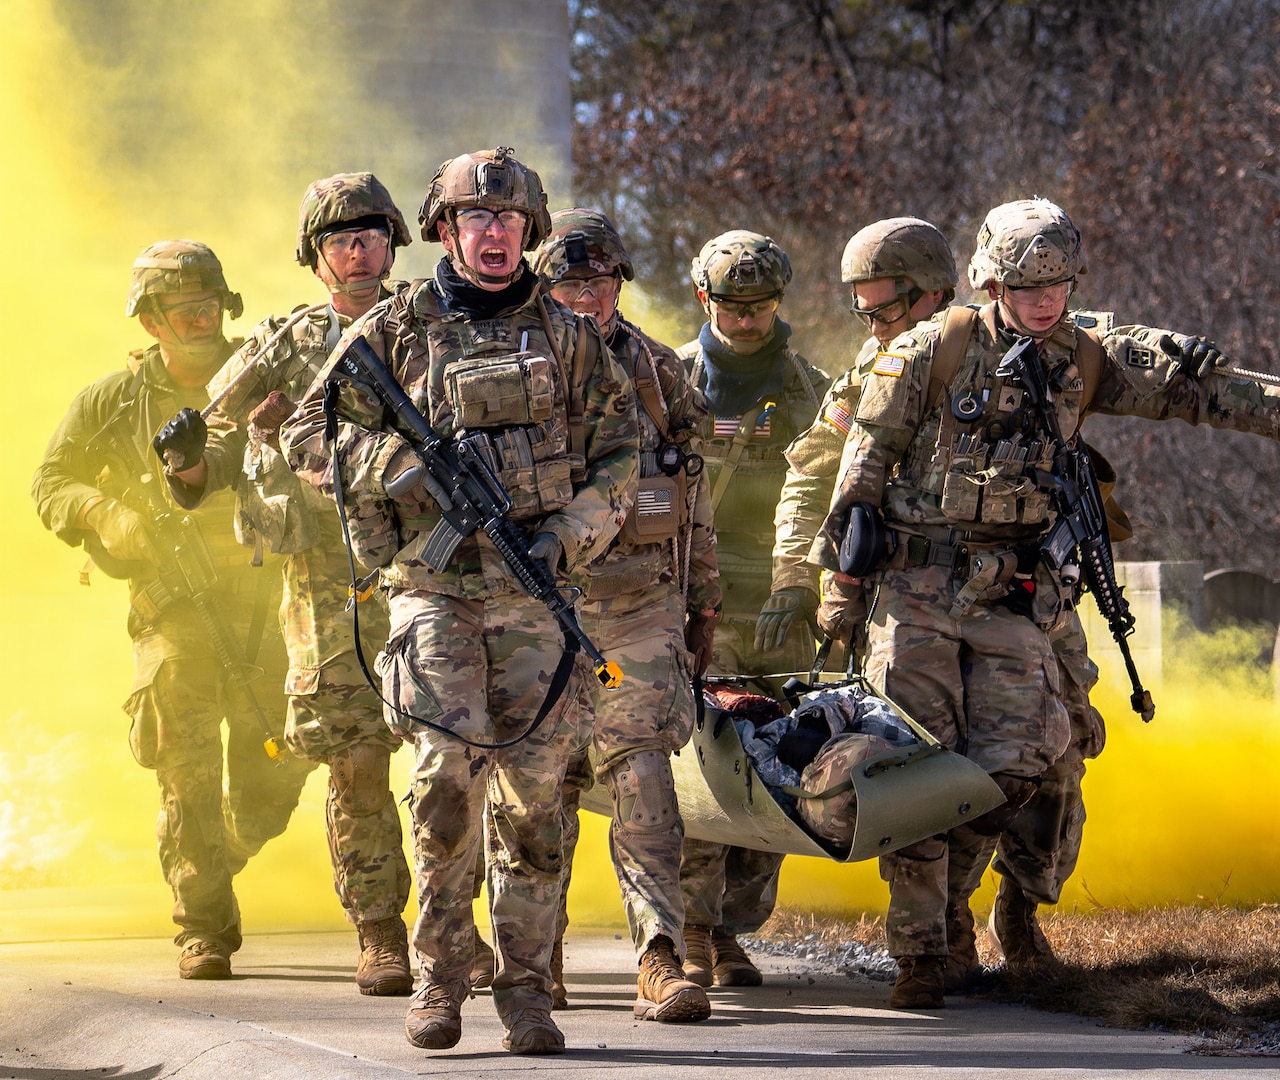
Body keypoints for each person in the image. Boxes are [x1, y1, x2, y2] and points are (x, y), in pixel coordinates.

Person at [810, 197, 1280, 1009]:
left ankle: (978, 910)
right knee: (913, 769)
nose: (1045, 301)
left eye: (1059, 285)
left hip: (1014, 594)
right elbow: (863, 468)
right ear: (990, 282)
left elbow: (1195, 390)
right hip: (918, 588)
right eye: (1029, 288)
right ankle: (924, 951)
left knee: (1016, 765)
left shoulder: (1083, 355)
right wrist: (839, 592)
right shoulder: (932, 349)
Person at [279, 147, 639, 1056]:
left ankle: (525, 993)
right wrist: (397, 467)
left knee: (535, 800)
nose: (493, 235)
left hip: (536, 596)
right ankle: (439, 981)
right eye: (476, 219)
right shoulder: (395, 330)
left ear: (531, 232)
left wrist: (569, 534)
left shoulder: (570, 337)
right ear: (444, 229)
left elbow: (621, 458)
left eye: (510, 222)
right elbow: (306, 432)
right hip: (433, 591)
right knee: (444, 782)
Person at [150, 174, 417, 996]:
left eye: (372, 236)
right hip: (325, 586)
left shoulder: (432, 326)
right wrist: (190, 461)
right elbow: (221, 444)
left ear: (393, 245)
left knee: (459, 760)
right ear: (314, 256)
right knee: (358, 762)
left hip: (432, 571)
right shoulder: (285, 343)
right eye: (340, 239)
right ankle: (381, 933)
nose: (358, 251)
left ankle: (457, 927)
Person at [32, 240, 314, 979]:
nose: (200, 319)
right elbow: (50, 481)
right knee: (185, 769)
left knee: (278, 773)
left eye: (209, 305)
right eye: (182, 309)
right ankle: (204, 927)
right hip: (172, 608)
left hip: (271, 602)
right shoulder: (114, 401)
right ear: (150, 320)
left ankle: (215, 850)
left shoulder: (264, 378)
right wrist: (101, 513)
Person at [531, 208, 719, 1021]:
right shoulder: (512, 365)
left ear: (619, 284)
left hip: (636, 607)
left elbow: (691, 491)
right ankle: (535, 963)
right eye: (568, 282)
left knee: (641, 772)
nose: (584, 296)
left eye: (598, 280)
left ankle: (659, 956)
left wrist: (703, 599)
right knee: (539, 786)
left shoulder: (658, 370)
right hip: (536, 609)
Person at [675, 230, 831, 987]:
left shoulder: (811, 388)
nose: (747, 319)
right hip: (697, 604)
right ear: (704, 299)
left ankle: (734, 927)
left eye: (762, 305)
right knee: (708, 770)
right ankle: (692, 931)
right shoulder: (667, 381)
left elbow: (836, 491)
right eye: (733, 306)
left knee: (777, 774)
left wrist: (806, 590)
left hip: (785, 606)